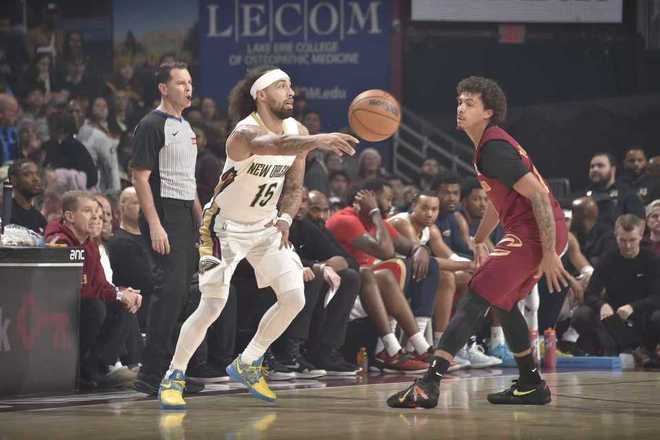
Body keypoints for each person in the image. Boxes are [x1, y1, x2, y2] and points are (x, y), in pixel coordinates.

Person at [157, 65, 356, 409]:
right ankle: (173, 376)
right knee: (212, 304)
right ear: (261, 95)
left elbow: (293, 187)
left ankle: (248, 362)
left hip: (265, 225)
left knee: (294, 297)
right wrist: (319, 140)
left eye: (291, 85)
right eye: (281, 86)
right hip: (223, 227)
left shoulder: (298, 130)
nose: (291, 92)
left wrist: (286, 218)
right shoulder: (244, 133)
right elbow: (275, 145)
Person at [388, 76, 573, 409]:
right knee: (502, 302)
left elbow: (539, 197)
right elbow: (498, 199)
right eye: (459, 102)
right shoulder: (488, 145)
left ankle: (428, 384)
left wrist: (549, 252)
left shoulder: (493, 148)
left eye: (469, 103)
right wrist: (479, 237)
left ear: (488, 112)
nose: (460, 108)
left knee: (477, 293)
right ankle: (531, 384)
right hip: (533, 230)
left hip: (536, 231)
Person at [131, 61, 204, 396]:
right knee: (170, 294)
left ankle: (175, 371)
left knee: (185, 296)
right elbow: (140, 178)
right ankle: (151, 374)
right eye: (180, 83)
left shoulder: (186, 127)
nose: (188, 88)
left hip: (185, 215)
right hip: (163, 213)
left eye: (189, 82)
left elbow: (187, 180)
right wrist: (155, 224)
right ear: (163, 88)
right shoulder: (151, 124)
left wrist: (200, 219)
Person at [44, 191, 142, 388]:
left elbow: (101, 285)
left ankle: (97, 368)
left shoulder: (89, 244)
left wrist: (122, 294)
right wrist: (117, 295)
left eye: (97, 213)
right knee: (94, 305)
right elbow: (69, 291)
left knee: (124, 306)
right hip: (56, 310)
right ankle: (84, 371)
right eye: (88, 211)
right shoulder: (59, 242)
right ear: (70, 216)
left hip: (82, 306)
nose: (96, 217)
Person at [571, 214, 660, 364]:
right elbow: (590, 294)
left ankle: (645, 349)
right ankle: (609, 349)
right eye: (622, 240)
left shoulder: (652, 260)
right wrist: (602, 305)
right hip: (613, 315)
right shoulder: (607, 259)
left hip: (643, 313)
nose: (628, 246)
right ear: (616, 237)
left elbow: (657, 297)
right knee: (582, 314)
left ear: (640, 236)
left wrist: (633, 307)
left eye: (632, 240)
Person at [585, 153, 644, 227]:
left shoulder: (628, 195)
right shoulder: (584, 196)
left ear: (613, 169)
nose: (595, 169)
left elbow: (638, 225)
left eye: (600, 166)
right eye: (592, 166)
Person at [8, 159, 46, 234]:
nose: (36, 179)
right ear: (13, 180)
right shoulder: (5, 213)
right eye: (27, 174)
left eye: (37, 174)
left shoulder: (40, 219)